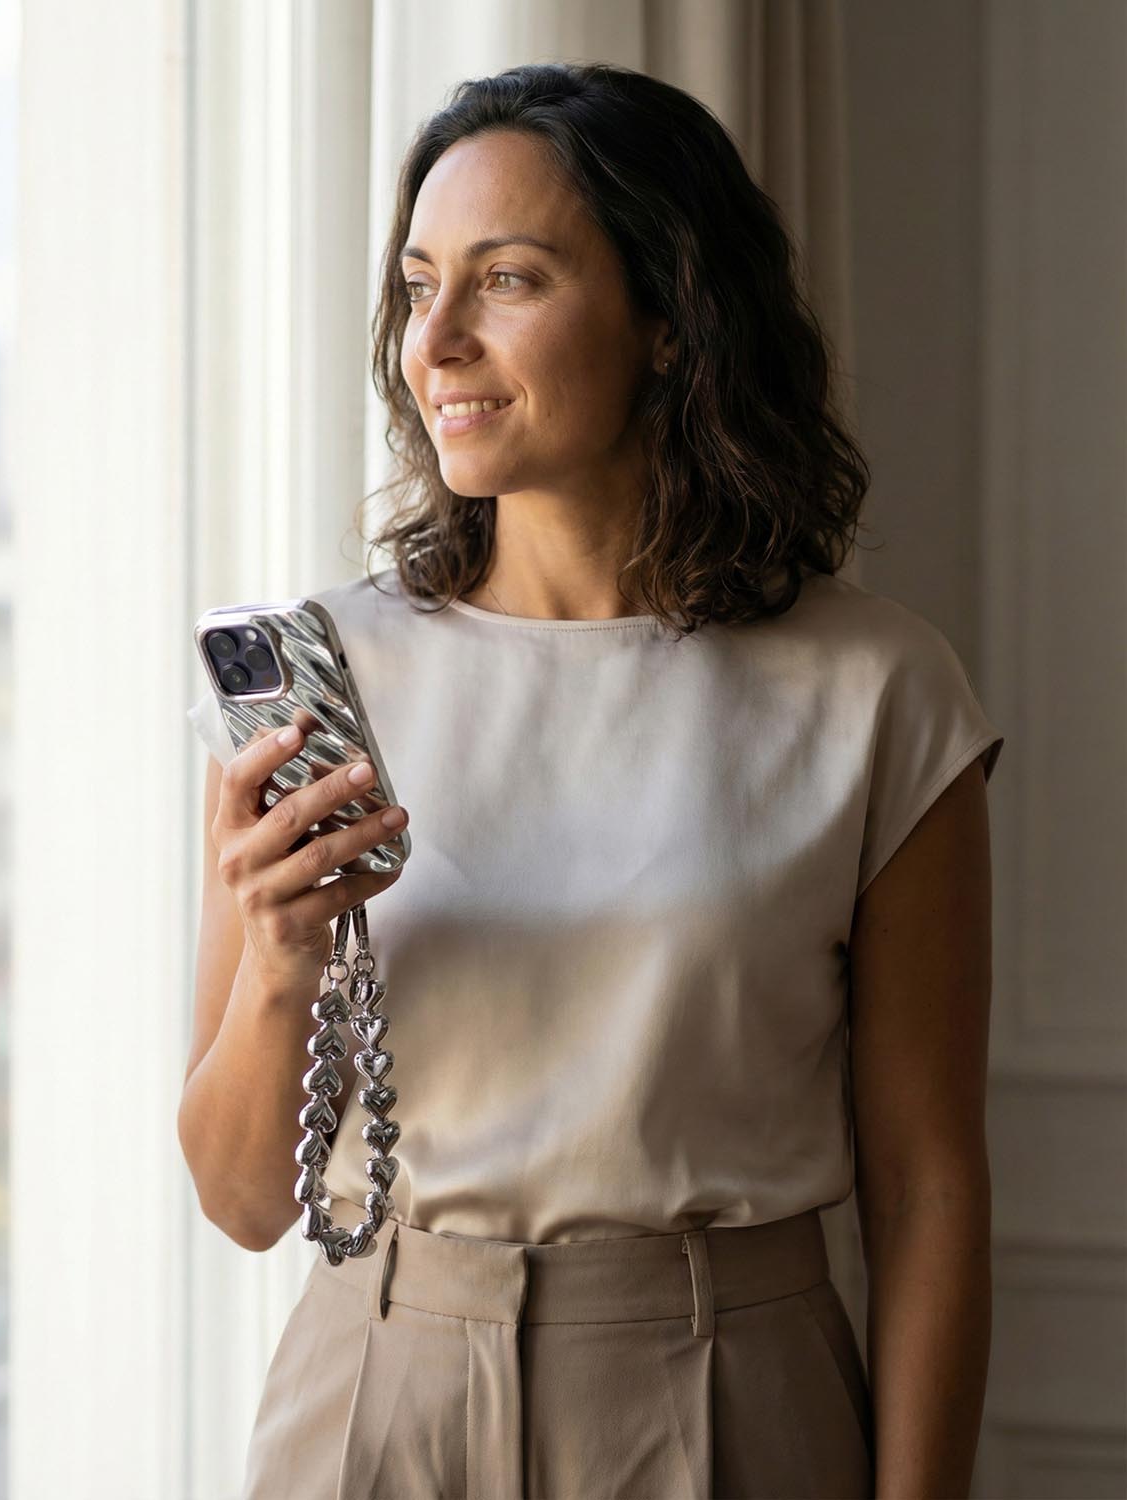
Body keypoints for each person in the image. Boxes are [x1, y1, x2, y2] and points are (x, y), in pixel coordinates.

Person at [181, 60, 1001, 1500]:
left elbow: (929, 1189)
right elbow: (245, 1200)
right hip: (376, 1396)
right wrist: (274, 963)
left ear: (672, 321)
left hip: (732, 1395)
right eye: (418, 284)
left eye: (506, 280)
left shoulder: (879, 692)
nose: (434, 339)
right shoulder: (330, 680)